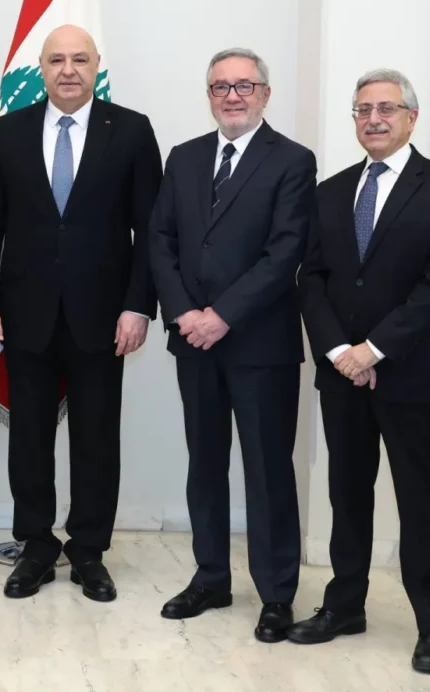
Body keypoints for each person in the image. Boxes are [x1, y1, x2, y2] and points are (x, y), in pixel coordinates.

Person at [0, 24, 163, 602]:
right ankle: (35, 546)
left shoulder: (131, 130)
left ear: (97, 65)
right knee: (28, 437)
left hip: (103, 317)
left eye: (80, 59)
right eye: (57, 60)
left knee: (96, 437)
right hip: (24, 313)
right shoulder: (9, 131)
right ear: (42, 67)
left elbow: (151, 229)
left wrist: (138, 305)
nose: (69, 70)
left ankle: (88, 550)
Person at [292, 68, 430, 674]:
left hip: (410, 373)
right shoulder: (330, 191)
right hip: (341, 372)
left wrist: (373, 350)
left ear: (411, 118)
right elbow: (312, 278)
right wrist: (339, 351)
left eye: (386, 108)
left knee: (419, 499)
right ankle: (345, 606)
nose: (373, 119)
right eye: (363, 109)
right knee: (347, 493)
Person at [149, 48, 316, 642]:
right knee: (205, 464)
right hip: (193, 342)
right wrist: (183, 314)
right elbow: (161, 240)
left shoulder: (292, 161)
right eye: (220, 86)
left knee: (267, 470)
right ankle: (211, 578)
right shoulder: (185, 157)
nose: (232, 96)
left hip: (260, 345)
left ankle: (276, 594)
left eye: (244, 85)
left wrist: (222, 315)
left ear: (265, 94)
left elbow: (285, 251)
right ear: (209, 96)